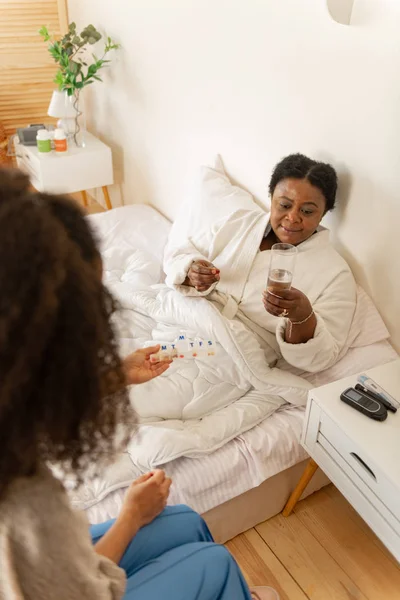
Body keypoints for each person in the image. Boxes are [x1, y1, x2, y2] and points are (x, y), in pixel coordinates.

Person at [0, 168, 278, 600]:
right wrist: (130, 516)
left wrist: (113, 376)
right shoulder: (29, 502)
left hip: (46, 563)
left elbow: (25, 406)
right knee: (215, 562)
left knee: (184, 521)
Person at [165, 153, 357, 374]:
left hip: (238, 354)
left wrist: (302, 316)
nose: (293, 217)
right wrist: (192, 269)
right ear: (271, 198)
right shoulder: (239, 222)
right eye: (284, 205)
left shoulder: (335, 273)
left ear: (323, 213)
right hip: (188, 319)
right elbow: (179, 250)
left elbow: (323, 357)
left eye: (307, 211)